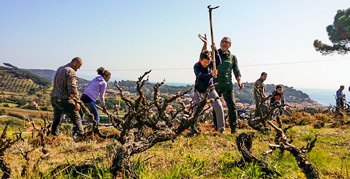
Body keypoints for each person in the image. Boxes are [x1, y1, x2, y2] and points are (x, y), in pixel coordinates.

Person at [210, 36, 244, 134]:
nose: (224, 43)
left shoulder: (232, 57)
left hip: (228, 85)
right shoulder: (214, 54)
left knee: (232, 107)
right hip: (216, 85)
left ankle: (234, 129)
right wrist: (213, 50)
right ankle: (217, 129)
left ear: (229, 45)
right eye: (222, 41)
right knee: (216, 106)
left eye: (226, 42)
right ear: (220, 43)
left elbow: (236, 71)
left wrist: (239, 81)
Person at [193, 34, 225, 134]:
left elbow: (218, 61)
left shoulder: (211, 63)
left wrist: (215, 50)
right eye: (204, 62)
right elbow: (200, 77)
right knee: (196, 110)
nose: (206, 64)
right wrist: (211, 74)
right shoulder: (197, 66)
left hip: (210, 89)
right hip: (199, 90)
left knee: (219, 106)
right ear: (200, 60)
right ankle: (194, 128)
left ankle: (221, 129)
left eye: (208, 62)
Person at [51, 57, 84, 137]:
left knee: (57, 119)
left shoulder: (60, 69)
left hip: (54, 98)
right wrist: (76, 102)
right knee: (77, 117)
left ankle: (53, 137)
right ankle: (81, 136)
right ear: (75, 62)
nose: (79, 68)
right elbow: (72, 89)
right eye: (79, 65)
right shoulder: (71, 72)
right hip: (64, 99)